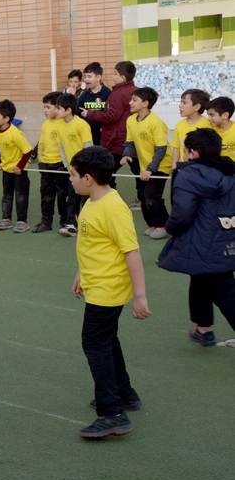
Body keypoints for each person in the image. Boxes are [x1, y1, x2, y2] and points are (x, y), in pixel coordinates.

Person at [68, 146, 150, 439]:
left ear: (88, 178)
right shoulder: (93, 200)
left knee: (94, 343)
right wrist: (81, 273)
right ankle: (125, 394)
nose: (71, 179)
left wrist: (140, 296)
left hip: (108, 289)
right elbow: (96, 245)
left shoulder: (114, 208)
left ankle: (111, 412)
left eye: (73, 175)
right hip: (97, 283)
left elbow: (132, 252)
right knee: (106, 339)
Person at [158, 128, 235, 346]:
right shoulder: (230, 170)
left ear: (194, 152)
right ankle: (203, 329)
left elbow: (182, 211)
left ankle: (204, 329)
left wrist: (170, 227)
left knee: (224, 288)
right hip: (227, 234)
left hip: (204, 239)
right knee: (201, 277)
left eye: (186, 150)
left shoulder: (189, 174)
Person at [82, 61, 139, 208]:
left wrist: (90, 114)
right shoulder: (133, 91)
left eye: (114, 74)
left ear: (122, 77)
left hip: (117, 140)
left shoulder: (116, 93)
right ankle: (140, 198)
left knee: (105, 170)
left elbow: (112, 116)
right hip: (125, 138)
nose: (112, 76)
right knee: (138, 169)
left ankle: (109, 197)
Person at [120, 87, 171, 240]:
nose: (130, 102)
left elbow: (161, 149)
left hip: (160, 165)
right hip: (144, 167)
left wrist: (150, 169)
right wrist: (126, 155)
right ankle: (152, 225)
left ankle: (163, 225)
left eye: (134, 100)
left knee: (151, 195)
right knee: (143, 196)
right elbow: (129, 143)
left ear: (145, 103)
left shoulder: (155, 122)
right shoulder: (130, 120)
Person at [0, 99, 33, 232]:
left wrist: (19, 166)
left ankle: (22, 221)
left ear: (6, 118)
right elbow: (0, 149)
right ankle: (6, 219)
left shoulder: (15, 133)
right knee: (6, 195)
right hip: (6, 170)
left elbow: (28, 151)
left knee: (21, 196)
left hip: (19, 172)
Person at [55, 93, 94, 237]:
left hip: (85, 169)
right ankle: (71, 224)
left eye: (58, 108)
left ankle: (88, 225)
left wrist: (84, 168)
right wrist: (68, 167)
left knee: (86, 198)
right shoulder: (59, 126)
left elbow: (88, 148)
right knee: (72, 197)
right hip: (72, 170)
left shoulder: (82, 125)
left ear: (68, 109)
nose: (56, 111)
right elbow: (61, 148)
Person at [34, 92, 68, 233]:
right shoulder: (46, 125)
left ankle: (65, 222)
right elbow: (41, 144)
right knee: (46, 196)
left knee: (62, 196)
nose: (45, 110)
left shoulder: (64, 124)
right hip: (46, 166)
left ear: (58, 108)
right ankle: (46, 221)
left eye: (48, 107)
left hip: (60, 167)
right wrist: (41, 160)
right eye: (44, 107)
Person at [172, 89, 211, 166]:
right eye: (181, 102)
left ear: (196, 107)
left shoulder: (207, 124)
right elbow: (176, 148)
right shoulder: (180, 125)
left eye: (184, 102)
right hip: (184, 168)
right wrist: (174, 167)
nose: (180, 105)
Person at [77, 62, 112, 146]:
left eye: (89, 76)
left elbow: (111, 115)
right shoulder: (83, 95)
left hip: (104, 137)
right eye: (85, 77)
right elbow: (78, 115)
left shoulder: (108, 94)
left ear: (98, 77)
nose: (86, 79)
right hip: (87, 137)